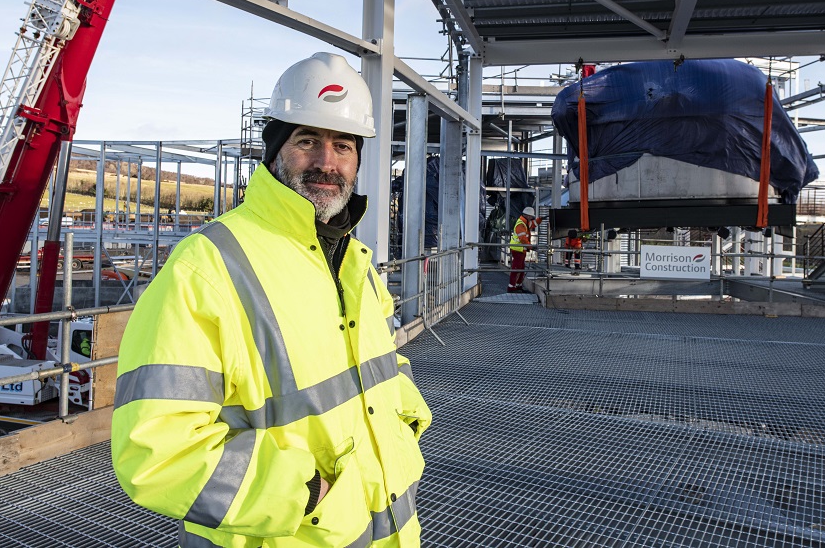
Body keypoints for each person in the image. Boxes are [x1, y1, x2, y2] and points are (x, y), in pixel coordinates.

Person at [111, 53, 432, 548]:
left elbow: (385, 360)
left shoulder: (355, 260)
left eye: (343, 146)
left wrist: (405, 423)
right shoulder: (208, 267)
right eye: (308, 141)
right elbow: (156, 449)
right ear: (276, 150)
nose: (328, 162)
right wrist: (305, 494)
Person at [507, 206, 542, 292]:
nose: (532, 218)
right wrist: (531, 246)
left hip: (520, 249)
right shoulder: (521, 224)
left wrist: (540, 219)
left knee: (521, 268)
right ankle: (511, 287)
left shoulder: (525, 222)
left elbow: (533, 224)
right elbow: (523, 239)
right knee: (517, 268)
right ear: (528, 216)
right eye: (531, 217)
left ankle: (518, 286)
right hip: (518, 249)